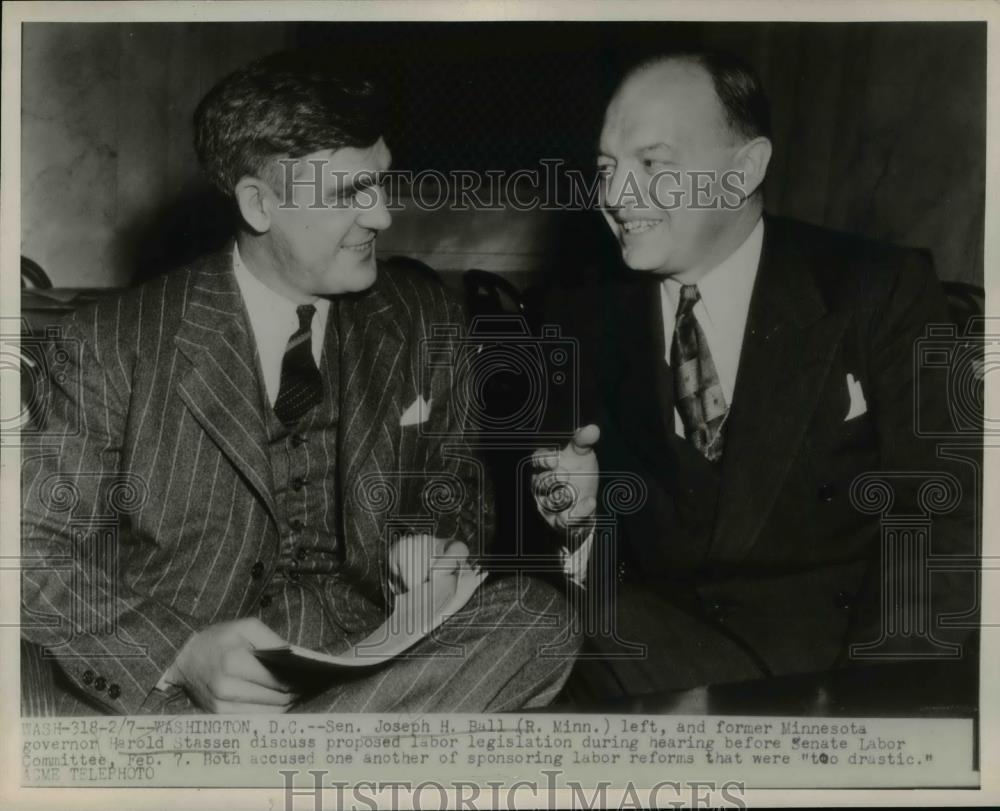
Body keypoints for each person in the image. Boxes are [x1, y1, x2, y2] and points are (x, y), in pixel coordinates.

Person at [20, 51, 578, 716]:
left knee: (540, 621)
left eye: (381, 184)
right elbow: (29, 551)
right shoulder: (111, 344)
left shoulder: (421, 314)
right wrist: (178, 652)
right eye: (349, 195)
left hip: (377, 659)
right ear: (259, 204)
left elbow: (454, 481)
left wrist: (432, 541)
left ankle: (266, 768)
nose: (382, 217)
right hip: (201, 682)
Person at [531, 50, 977, 700]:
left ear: (743, 170)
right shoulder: (575, 314)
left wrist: (877, 702)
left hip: (837, 661)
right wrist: (580, 520)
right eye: (605, 169)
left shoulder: (878, 288)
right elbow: (566, 549)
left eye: (652, 164)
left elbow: (945, 516)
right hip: (654, 647)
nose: (615, 196)